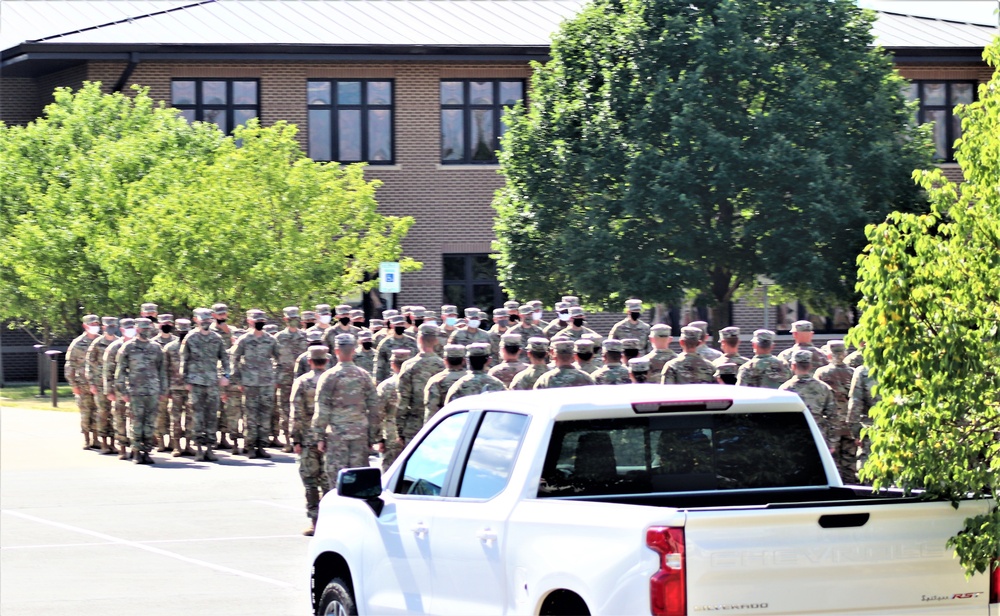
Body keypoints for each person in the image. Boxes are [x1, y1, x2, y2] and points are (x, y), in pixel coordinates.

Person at [312, 334, 380, 478]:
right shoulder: (364, 376)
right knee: (359, 479)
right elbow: (374, 408)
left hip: (337, 435)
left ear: (336, 351)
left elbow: (322, 408)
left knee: (337, 480)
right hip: (360, 434)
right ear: (354, 351)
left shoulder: (329, 376)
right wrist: (372, 437)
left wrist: (319, 436)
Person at [290, 345, 331, 536]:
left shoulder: (302, 381)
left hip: (308, 437)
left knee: (310, 481)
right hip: (330, 437)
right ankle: (331, 519)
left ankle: (316, 521)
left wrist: (295, 438)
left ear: (309, 361)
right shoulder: (332, 379)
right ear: (327, 360)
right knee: (329, 481)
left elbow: (296, 413)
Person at [115, 318, 167, 464]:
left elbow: (162, 370)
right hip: (135, 391)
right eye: (143, 329)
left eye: (148, 329)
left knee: (150, 422)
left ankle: (147, 451)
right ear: (137, 329)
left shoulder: (156, 348)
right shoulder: (128, 347)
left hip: (152, 391)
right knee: (137, 422)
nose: (146, 332)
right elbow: (120, 372)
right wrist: (123, 391)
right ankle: (136, 451)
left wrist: (163, 389)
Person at [182, 308, 230, 462]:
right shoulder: (190, 338)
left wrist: (225, 375)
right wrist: (186, 380)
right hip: (196, 383)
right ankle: (199, 449)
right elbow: (184, 361)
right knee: (197, 416)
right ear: (196, 320)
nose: (206, 322)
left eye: (208, 320)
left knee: (211, 416)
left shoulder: (216, 338)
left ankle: (210, 448)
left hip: (212, 382)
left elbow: (224, 358)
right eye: (203, 320)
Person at [232, 309, 280, 458]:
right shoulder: (244, 340)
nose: (259, 323)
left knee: (265, 415)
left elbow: (280, 361)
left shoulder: (271, 340)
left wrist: (275, 378)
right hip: (250, 383)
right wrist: (238, 380)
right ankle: (250, 446)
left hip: (266, 383)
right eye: (256, 320)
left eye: (261, 320)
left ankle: (262, 445)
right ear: (249, 321)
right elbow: (234, 358)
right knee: (251, 416)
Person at [780, 351, 838, 455]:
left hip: (792, 438)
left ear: (793, 366)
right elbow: (833, 417)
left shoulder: (785, 389)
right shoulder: (823, 388)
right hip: (818, 437)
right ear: (810, 366)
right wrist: (832, 443)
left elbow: (780, 417)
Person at [814, 340, 856, 483]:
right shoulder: (853, 373)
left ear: (829, 355)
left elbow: (818, 397)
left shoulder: (822, 373)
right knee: (850, 462)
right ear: (845, 354)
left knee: (833, 462)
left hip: (832, 425)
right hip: (849, 424)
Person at [396, 324, 446, 443]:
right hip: (440, 423)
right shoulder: (443, 365)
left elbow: (403, 399)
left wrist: (400, 429)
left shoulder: (409, 365)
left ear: (419, 339)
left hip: (414, 426)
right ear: (436, 341)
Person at [274, 306, 308, 452]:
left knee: (304, 410)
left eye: (296, 319)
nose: (293, 321)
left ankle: (303, 440)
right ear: (285, 320)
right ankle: (288, 441)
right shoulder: (278, 338)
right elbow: (274, 359)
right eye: (290, 319)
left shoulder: (305, 336)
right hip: (285, 380)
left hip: (303, 379)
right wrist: (276, 379)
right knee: (286, 411)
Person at [210, 303, 244, 452]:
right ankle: (211, 439)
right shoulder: (209, 331)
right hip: (211, 372)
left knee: (228, 409)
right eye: (219, 314)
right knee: (214, 408)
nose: (222, 316)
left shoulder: (232, 331)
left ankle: (225, 438)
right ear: (213, 315)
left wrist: (229, 333)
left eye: (224, 314)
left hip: (228, 373)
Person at [66, 314, 102, 450]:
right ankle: (87, 439)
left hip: (98, 384)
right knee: (86, 412)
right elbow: (70, 365)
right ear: (85, 326)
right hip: (83, 384)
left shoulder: (101, 341)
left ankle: (96, 438)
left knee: (99, 412)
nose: (95, 327)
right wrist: (73, 385)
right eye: (92, 324)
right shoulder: (77, 343)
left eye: (96, 324)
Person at [85, 316, 119, 454]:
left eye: (113, 325)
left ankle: (113, 442)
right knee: (103, 413)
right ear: (104, 327)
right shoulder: (97, 343)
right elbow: (89, 364)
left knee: (116, 414)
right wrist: (91, 383)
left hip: (115, 384)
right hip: (100, 384)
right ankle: (104, 443)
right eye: (108, 326)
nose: (110, 328)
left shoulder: (119, 343)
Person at [163, 318, 195, 457]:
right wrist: (166, 389)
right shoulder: (169, 347)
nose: (183, 333)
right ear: (177, 330)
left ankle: (188, 445)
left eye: (186, 331)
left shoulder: (195, 346)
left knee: (190, 418)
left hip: (191, 388)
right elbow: (163, 370)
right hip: (175, 388)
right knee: (175, 418)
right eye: (181, 331)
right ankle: (176, 446)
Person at [104, 318, 136, 459]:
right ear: (122, 330)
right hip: (119, 389)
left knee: (135, 419)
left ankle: (135, 447)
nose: (131, 330)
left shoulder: (138, 345)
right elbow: (107, 370)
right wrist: (108, 390)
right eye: (128, 327)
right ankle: (122, 447)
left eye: (133, 327)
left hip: (135, 389)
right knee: (119, 418)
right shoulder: (114, 347)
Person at [376, 348, 411, 470]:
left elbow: (378, 414)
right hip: (414, 432)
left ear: (392, 364)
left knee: (389, 474)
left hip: (391, 436)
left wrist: (379, 439)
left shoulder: (386, 386)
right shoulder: (416, 382)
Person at [150, 314, 178, 452]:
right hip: (159, 384)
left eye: (169, 323)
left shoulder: (178, 342)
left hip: (175, 384)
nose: (166, 325)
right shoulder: (153, 343)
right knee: (160, 414)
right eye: (164, 323)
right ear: (159, 325)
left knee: (174, 414)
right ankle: (160, 440)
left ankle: (173, 441)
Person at [847, 363, 878, 483]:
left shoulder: (863, 371)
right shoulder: (904, 366)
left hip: (871, 428)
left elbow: (855, 403)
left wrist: (856, 432)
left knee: (868, 469)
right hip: (899, 428)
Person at [423, 345, 468, 418]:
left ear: (445, 361)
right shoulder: (471, 378)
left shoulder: (436, 380)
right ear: (464, 361)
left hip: (447, 424)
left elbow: (432, 410)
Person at [375, 315, 419, 383]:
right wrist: (378, 381)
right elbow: (379, 365)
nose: (400, 326)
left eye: (401, 324)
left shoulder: (412, 342)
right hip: (391, 380)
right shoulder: (385, 343)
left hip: (410, 379)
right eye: (397, 324)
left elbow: (417, 361)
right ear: (392, 325)